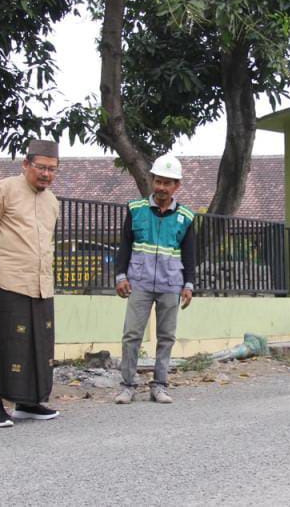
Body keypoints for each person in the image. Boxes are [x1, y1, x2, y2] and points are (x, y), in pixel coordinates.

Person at [0, 140, 61, 428]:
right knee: (4, 342)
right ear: (26, 164)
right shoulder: (4, 189)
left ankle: (29, 402)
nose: (46, 174)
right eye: (41, 167)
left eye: (52, 169)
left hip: (41, 284)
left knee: (38, 343)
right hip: (7, 278)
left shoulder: (52, 202)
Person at [113, 155, 195, 405]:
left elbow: (190, 254)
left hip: (171, 284)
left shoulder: (186, 217)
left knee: (166, 336)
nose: (161, 187)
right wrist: (120, 275)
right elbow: (124, 245)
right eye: (158, 181)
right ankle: (127, 386)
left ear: (176, 186)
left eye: (168, 183)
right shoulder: (136, 210)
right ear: (152, 181)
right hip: (139, 282)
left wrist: (189, 284)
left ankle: (159, 385)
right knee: (131, 335)